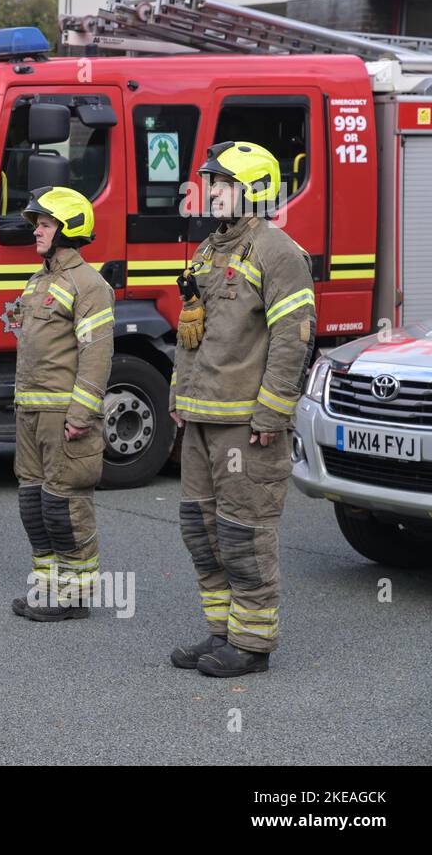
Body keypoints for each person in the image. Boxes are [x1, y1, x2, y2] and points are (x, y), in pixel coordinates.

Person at [168, 141, 315, 677]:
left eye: (223, 184)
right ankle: (221, 633)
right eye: (211, 183)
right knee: (201, 529)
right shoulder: (211, 249)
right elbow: (192, 334)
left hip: (244, 426)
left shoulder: (277, 253)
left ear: (252, 190)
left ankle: (252, 646)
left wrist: (271, 415)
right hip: (202, 419)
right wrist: (176, 399)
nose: (211, 193)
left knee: (243, 531)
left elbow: (293, 340)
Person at [10, 186, 114, 620]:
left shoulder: (88, 284)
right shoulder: (40, 279)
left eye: (45, 224)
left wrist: (81, 413)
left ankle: (74, 598)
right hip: (30, 410)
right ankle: (47, 588)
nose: (36, 231)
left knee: (65, 504)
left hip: (61, 414)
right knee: (33, 503)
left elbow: (97, 353)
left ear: (68, 229)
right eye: (37, 223)